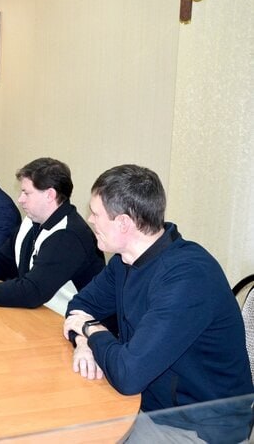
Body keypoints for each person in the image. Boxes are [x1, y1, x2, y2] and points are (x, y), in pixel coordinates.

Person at [62, 164, 252, 433]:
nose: (90, 220)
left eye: (95, 213)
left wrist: (91, 329)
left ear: (124, 223)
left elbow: (128, 375)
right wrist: (83, 342)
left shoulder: (188, 277)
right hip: (145, 404)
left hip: (198, 428)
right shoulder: (124, 260)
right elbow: (79, 306)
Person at [0, 158, 104, 314]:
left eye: (26, 193)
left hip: (64, 321)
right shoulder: (32, 221)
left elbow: (30, 292)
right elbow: (3, 260)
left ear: (49, 195)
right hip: (38, 314)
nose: (20, 199)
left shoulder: (68, 236)